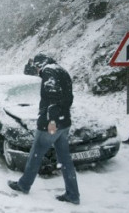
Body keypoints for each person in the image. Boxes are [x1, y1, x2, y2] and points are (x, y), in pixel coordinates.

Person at [7, 53, 80, 205]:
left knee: (36, 155)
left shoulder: (49, 72)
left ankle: (24, 184)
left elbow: (53, 98)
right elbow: (69, 98)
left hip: (51, 125)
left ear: (40, 64)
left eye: (36, 67)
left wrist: (51, 122)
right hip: (64, 122)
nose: (37, 70)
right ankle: (73, 194)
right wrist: (61, 118)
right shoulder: (61, 70)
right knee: (65, 160)